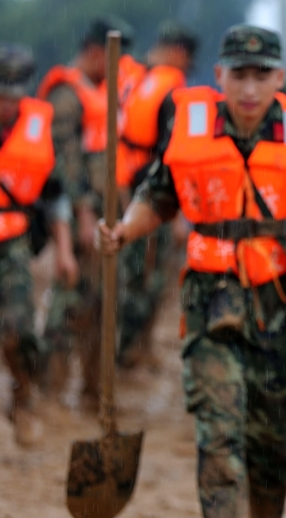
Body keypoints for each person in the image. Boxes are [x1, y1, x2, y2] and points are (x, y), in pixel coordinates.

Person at [96, 24, 286, 517]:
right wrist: (124, 230)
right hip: (210, 300)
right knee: (219, 435)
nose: (250, 88)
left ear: (279, 76)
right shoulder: (190, 128)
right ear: (219, 76)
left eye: (261, 75)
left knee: (274, 449)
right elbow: (158, 195)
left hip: (279, 303)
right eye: (239, 75)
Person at [0, 44, 78, 457]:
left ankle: (22, 399)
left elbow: (56, 198)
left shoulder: (38, 128)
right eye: (0, 97)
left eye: (15, 98)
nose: (7, 107)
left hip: (10, 246)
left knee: (18, 331)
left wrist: (65, 252)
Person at [36, 16, 134, 409]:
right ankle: (52, 387)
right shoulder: (67, 94)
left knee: (106, 302)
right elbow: (65, 164)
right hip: (83, 215)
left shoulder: (104, 90)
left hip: (110, 213)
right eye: (116, 55)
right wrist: (79, 215)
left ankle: (94, 391)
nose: (121, 63)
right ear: (97, 52)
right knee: (72, 302)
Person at [115, 21, 199, 369]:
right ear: (180, 53)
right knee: (148, 280)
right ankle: (128, 355)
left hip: (121, 184)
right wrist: (180, 217)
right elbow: (173, 156)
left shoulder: (132, 75)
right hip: (150, 194)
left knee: (133, 278)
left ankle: (130, 351)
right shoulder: (171, 90)